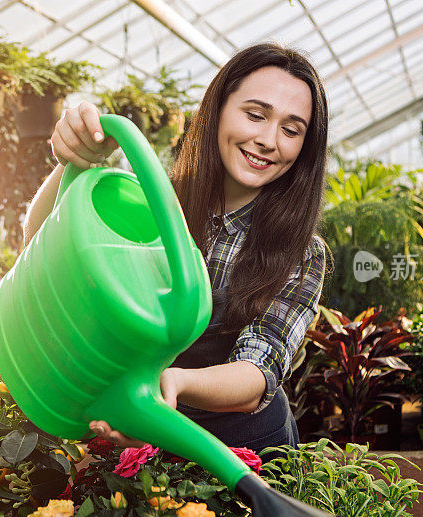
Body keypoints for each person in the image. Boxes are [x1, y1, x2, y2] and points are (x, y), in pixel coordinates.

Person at [21, 42, 328, 455]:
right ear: (217, 110)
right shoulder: (149, 201)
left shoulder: (301, 251)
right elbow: (40, 249)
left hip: (247, 451)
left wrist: (172, 383)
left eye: (291, 130)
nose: (268, 140)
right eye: (255, 115)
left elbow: (257, 372)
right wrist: (72, 162)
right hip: (137, 435)